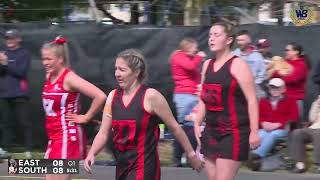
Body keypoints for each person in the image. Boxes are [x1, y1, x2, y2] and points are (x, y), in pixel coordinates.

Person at [84, 49, 203, 180]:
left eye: (122, 70)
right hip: (122, 165)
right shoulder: (113, 96)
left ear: (136, 72)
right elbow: (104, 132)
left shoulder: (151, 96)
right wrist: (92, 153)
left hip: (144, 166)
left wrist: (191, 154)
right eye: (116, 69)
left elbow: (175, 128)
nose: (117, 74)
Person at [194, 22, 260, 180]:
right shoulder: (207, 65)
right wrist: (197, 123)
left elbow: (252, 100)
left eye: (216, 35)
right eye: (210, 35)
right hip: (211, 130)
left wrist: (255, 131)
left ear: (229, 39)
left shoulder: (238, 65)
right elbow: (204, 97)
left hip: (233, 131)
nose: (211, 39)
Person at [41, 36, 106, 180]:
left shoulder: (69, 78)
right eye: (43, 59)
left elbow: (100, 96)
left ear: (60, 59)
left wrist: (86, 117)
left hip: (67, 137)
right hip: (54, 137)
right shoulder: (49, 76)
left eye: (49, 59)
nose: (45, 63)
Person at [170, 38, 206, 167]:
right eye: (194, 47)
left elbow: (194, 74)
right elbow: (190, 67)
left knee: (194, 126)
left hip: (192, 95)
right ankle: (177, 157)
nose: (196, 50)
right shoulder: (178, 56)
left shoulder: (189, 58)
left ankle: (189, 155)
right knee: (186, 127)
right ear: (187, 47)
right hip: (184, 97)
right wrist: (199, 57)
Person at [248, 78, 298, 169]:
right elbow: (258, 116)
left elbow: (294, 117)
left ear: (283, 89)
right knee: (261, 134)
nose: (274, 90)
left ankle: (256, 156)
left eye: (277, 88)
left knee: (273, 135)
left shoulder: (291, 100)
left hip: (282, 128)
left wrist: (278, 124)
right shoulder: (263, 100)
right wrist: (263, 123)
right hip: (265, 128)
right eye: (272, 88)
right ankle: (253, 159)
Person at [0, 29, 32, 158]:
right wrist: (2, 63)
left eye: (11, 38)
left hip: (20, 94)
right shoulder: (3, 53)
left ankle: (28, 149)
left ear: (18, 39)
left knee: (24, 122)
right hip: (3, 94)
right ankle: (5, 149)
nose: (9, 40)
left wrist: (6, 63)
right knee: (5, 123)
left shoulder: (24, 54)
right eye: (7, 38)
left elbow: (21, 72)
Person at [270, 42, 308, 121]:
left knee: (293, 127)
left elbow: (292, 79)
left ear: (296, 52)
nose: (285, 52)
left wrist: (280, 73)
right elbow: (273, 75)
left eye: (287, 50)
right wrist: (281, 73)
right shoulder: (284, 62)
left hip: (295, 100)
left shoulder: (301, 64)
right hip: (281, 99)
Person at [289, 96, 320, 173]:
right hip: (313, 127)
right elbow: (312, 119)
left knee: (318, 134)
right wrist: (317, 104)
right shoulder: (317, 102)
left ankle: (318, 163)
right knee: (297, 133)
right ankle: (300, 164)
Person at [233, 30, 266, 99]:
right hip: (236, 92)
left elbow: (262, 73)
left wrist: (255, 84)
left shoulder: (257, 56)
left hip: (253, 91)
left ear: (249, 40)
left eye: (242, 40)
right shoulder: (233, 55)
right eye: (238, 40)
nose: (239, 42)